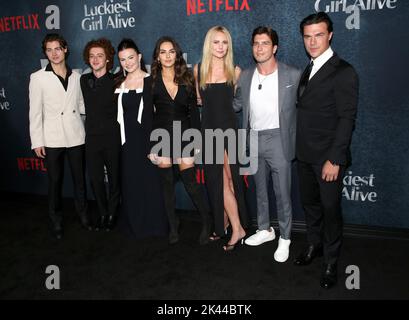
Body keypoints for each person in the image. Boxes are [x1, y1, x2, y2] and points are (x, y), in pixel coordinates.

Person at [294, 12, 359, 289]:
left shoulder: (344, 71)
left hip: (328, 159)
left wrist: (335, 158)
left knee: (330, 210)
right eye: (308, 36)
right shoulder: (307, 68)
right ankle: (314, 245)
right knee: (310, 206)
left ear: (330, 35)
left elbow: (347, 119)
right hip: (304, 155)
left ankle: (331, 261)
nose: (312, 41)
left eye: (318, 35)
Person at [233, 26, 301, 262]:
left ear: (274, 48)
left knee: (282, 192)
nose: (259, 48)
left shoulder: (292, 75)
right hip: (253, 137)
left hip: (279, 138)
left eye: (264, 43)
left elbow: (306, 107)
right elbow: (237, 105)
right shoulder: (245, 75)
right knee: (260, 189)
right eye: (256, 43)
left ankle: (285, 237)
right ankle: (264, 229)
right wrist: (208, 97)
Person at [150, 36, 212, 245]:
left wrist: (196, 141)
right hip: (161, 136)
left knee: (191, 184)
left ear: (177, 54)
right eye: (163, 52)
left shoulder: (186, 78)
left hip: (185, 134)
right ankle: (173, 226)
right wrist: (152, 146)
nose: (167, 56)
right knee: (167, 186)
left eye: (171, 51)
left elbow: (194, 112)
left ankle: (207, 222)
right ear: (157, 57)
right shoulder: (150, 81)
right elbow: (149, 115)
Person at [29, 33, 91, 239]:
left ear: (65, 49)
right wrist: (37, 141)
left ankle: (83, 215)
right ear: (45, 53)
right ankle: (56, 220)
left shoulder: (76, 76)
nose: (54, 53)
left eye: (57, 48)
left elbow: (81, 105)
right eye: (49, 50)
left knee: (79, 180)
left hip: (75, 135)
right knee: (55, 181)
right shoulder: (37, 77)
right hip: (52, 137)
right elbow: (35, 112)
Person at [194, 26, 248, 251]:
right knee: (219, 181)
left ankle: (237, 228)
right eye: (216, 42)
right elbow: (198, 101)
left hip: (229, 131)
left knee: (229, 180)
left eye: (225, 42)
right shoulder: (199, 70)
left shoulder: (235, 71)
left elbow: (239, 104)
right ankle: (225, 224)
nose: (220, 47)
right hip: (209, 131)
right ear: (209, 44)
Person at [114, 38, 168, 238]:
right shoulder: (118, 82)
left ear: (139, 57)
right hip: (127, 143)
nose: (127, 62)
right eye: (122, 59)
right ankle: (133, 223)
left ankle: (154, 225)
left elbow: (161, 114)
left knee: (151, 183)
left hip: (148, 140)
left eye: (130, 57)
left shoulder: (152, 80)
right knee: (131, 182)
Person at [80, 38, 120, 231]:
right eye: (92, 56)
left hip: (112, 137)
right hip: (92, 139)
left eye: (100, 56)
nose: (95, 59)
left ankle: (112, 214)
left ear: (107, 59)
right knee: (95, 179)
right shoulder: (83, 80)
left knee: (114, 178)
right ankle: (103, 213)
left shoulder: (116, 81)